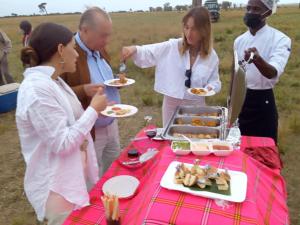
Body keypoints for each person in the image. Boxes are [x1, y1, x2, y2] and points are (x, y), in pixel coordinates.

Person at [16, 22, 107, 225]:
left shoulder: (54, 81)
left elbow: (67, 124)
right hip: (57, 189)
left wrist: (82, 136)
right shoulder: (37, 91)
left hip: (70, 178)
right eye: (73, 48)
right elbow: (62, 143)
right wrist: (93, 110)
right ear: (60, 50)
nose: (76, 54)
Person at [121, 7, 221, 127]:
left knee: (194, 139)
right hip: (171, 105)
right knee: (171, 139)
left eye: (194, 29)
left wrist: (210, 87)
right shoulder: (173, 47)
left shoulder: (211, 56)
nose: (189, 33)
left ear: (204, 30)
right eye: (186, 27)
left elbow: (215, 81)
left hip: (196, 106)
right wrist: (134, 49)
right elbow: (151, 51)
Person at [61, 7, 121, 177]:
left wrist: (116, 81)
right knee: (92, 178)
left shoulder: (98, 47)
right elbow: (57, 93)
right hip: (89, 131)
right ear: (84, 30)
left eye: (109, 34)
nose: (107, 40)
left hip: (111, 123)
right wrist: (83, 90)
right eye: (103, 35)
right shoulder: (68, 54)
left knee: (113, 171)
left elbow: (103, 76)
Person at [234, 0, 291, 144]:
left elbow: (273, 72)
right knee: (240, 147)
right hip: (242, 99)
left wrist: (258, 60)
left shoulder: (280, 39)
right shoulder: (239, 40)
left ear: (268, 12)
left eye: (256, 9)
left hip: (263, 101)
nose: (250, 13)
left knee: (263, 150)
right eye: (248, 8)